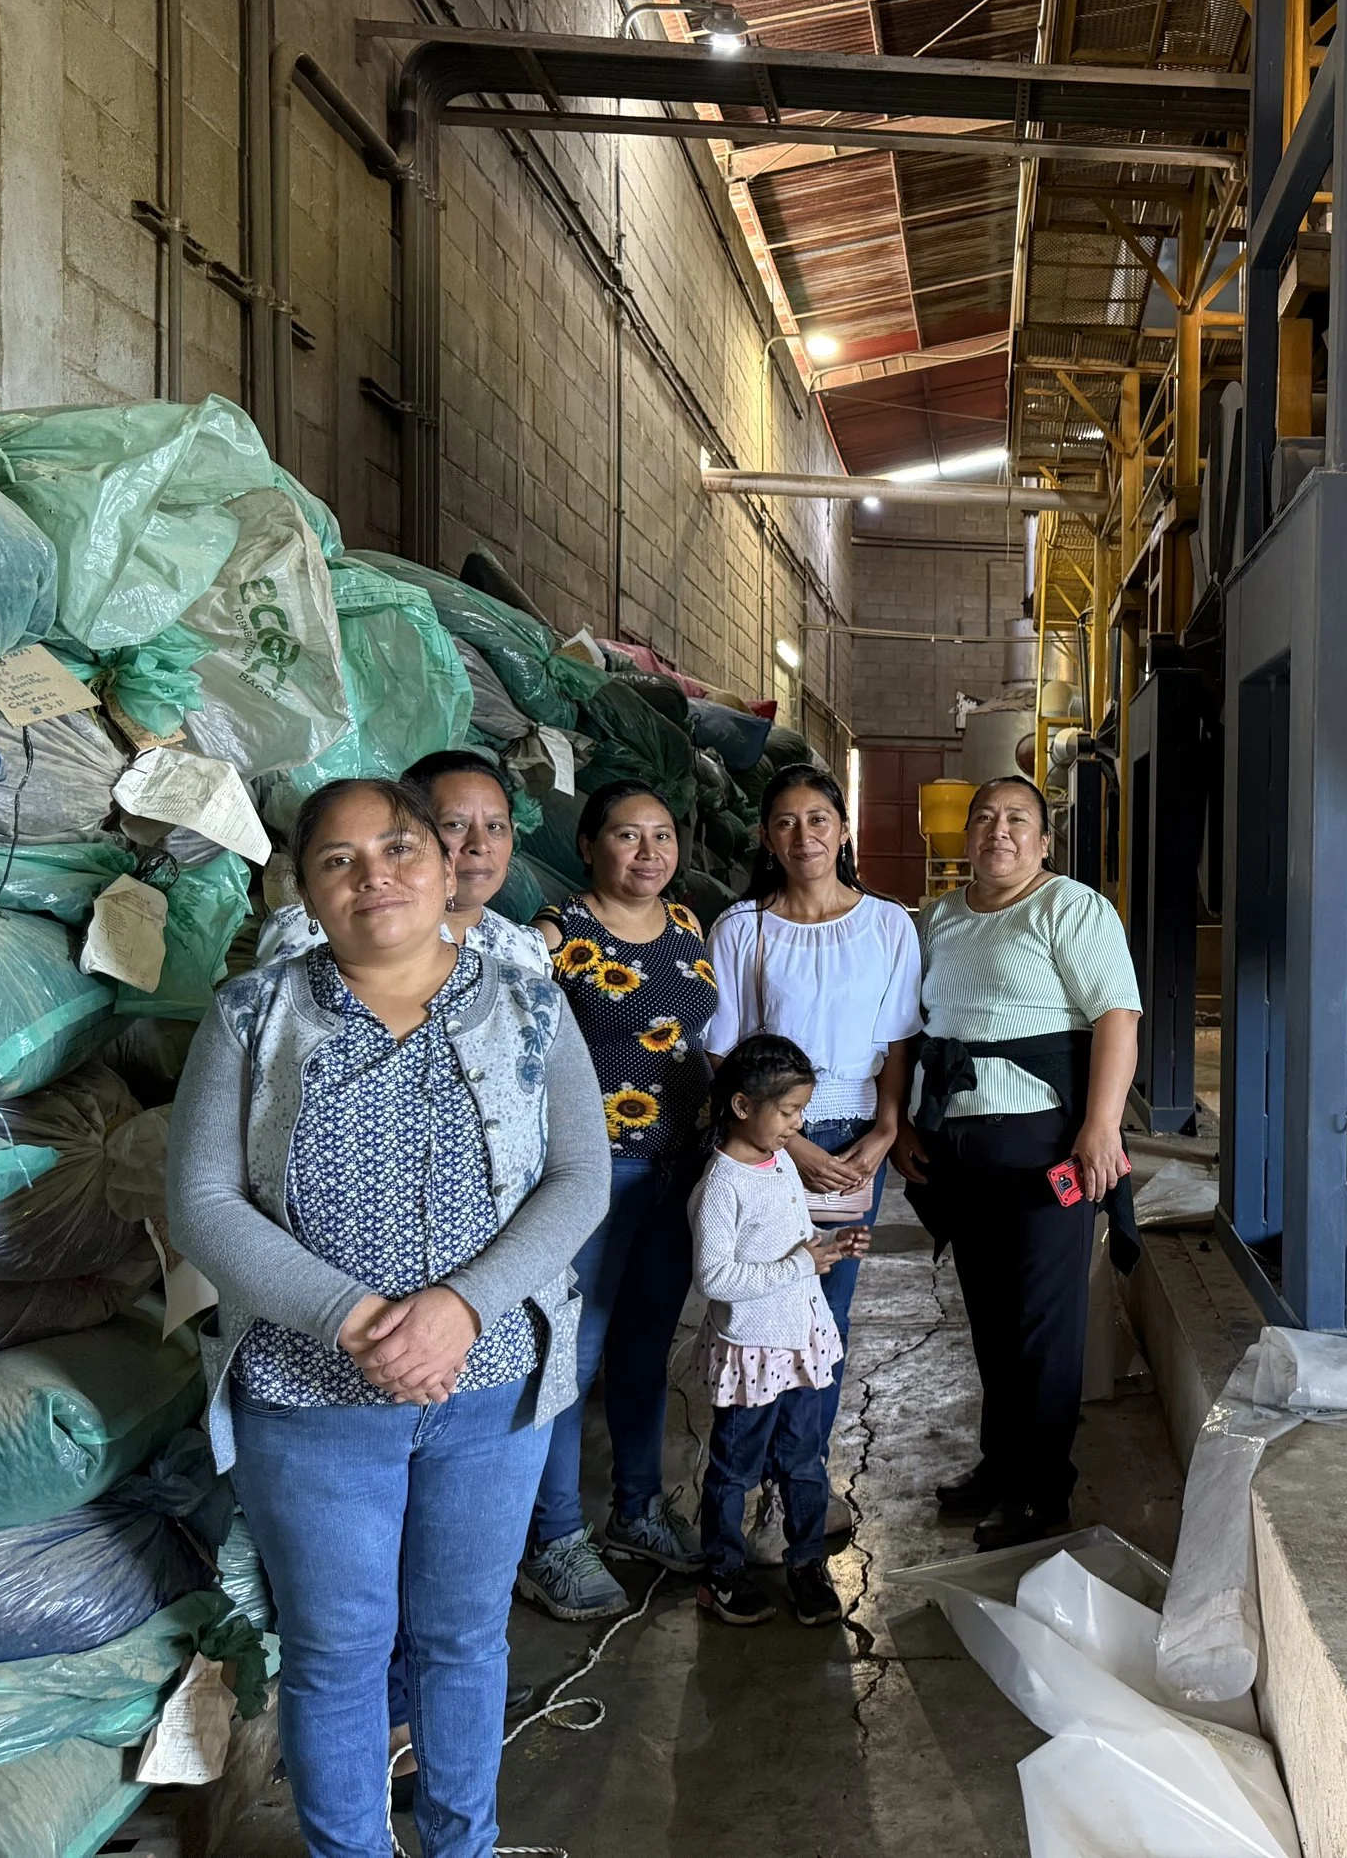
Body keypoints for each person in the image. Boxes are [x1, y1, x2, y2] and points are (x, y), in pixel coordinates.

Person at [165, 777, 607, 1858]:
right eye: (339, 860)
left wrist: (462, 1308)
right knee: (336, 1650)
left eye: (399, 847)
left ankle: (462, 1845)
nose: (376, 875)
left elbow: (579, 1178)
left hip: (491, 1382)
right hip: (305, 1397)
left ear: (443, 862)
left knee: (463, 1641)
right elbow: (202, 1201)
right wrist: (354, 1317)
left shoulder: (529, 1005)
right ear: (307, 892)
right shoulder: (251, 1016)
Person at [894, 775, 1142, 1550]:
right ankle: (1001, 1465)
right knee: (992, 1314)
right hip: (959, 1143)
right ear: (964, 837)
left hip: (1045, 1144)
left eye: (1018, 820)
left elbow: (1117, 1017)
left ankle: (1041, 1485)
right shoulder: (937, 918)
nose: (999, 832)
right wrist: (902, 1122)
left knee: (1042, 1319)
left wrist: (1100, 1127)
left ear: (1043, 841)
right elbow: (911, 1027)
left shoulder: (1069, 907)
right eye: (985, 819)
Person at [701, 763, 919, 1538]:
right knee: (762, 1314)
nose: (804, 836)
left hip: (856, 1141)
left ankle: (803, 1484)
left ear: (844, 828)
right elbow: (727, 1059)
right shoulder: (742, 929)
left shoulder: (890, 925)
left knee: (826, 1319)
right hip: (767, 1151)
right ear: (766, 837)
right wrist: (789, 1143)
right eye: (786, 823)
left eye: (818, 819)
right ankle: (754, 1481)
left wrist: (886, 1131)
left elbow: (897, 1042)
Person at [516, 782, 718, 1620]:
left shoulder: (687, 926)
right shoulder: (557, 936)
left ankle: (637, 1508)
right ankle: (554, 1538)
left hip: (677, 1168)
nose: (649, 852)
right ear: (590, 843)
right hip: (588, 1178)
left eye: (662, 836)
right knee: (572, 1353)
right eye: (628, 836)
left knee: (644, 1348)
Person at [689, 1033, 865, 1628]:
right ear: (743, 1107)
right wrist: (800, 1263)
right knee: (735, 1468)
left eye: (800, 1110)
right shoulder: (721, 1184)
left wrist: (830, 1247)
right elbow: (716, 1277)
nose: (799, 1124)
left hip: (799, 1343)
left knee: (805, 1463)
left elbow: (788, 1239)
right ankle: (720, 1573)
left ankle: (807, 1562)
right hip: (751, 1351)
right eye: (788, 1112)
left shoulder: (779, 1159)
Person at [256, 751, 551, 975]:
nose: (480, 846)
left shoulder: (527, 949)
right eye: (454, 825)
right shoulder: (321, 928)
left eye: (496, 827)